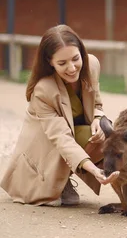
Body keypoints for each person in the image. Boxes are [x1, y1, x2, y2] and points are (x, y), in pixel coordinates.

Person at [1, 24, 119, 207]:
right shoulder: (43, 90)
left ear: (81, 52)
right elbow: (61, 138)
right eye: (62, 63)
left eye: (75, 59)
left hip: (72, 134)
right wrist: (94, 170)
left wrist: (98, 118)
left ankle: (64, 175)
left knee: (105, 135)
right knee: (81, 139)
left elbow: (97, 103)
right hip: (46, 147)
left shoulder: (91, 65)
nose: (72, 68)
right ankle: (57, 179)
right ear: (50, 61)